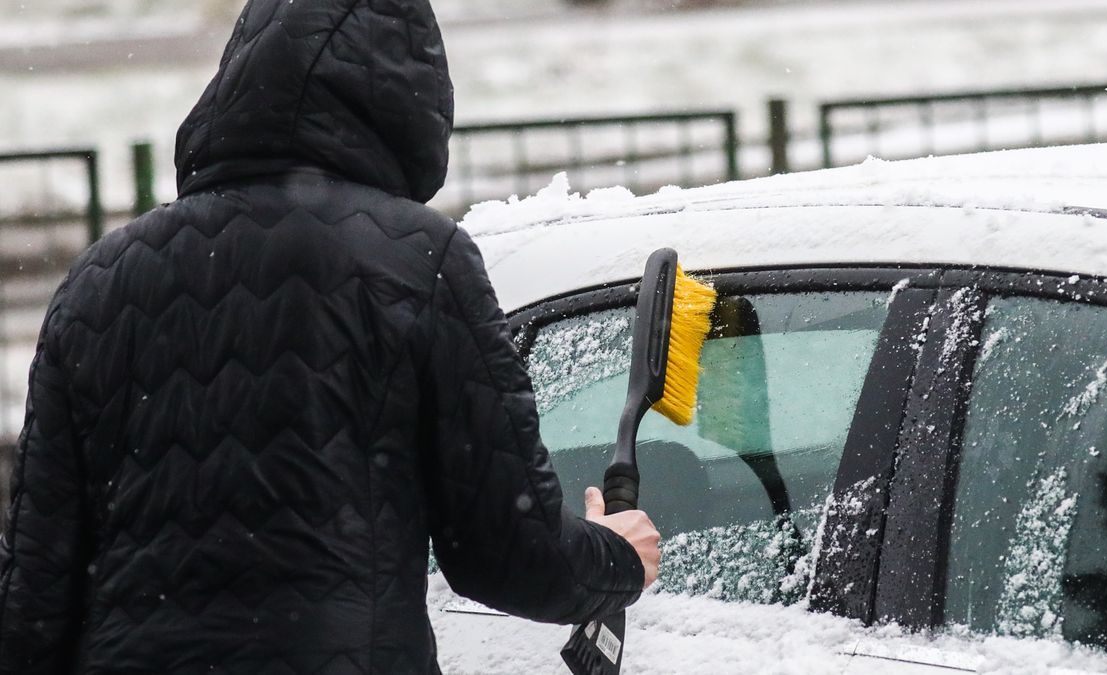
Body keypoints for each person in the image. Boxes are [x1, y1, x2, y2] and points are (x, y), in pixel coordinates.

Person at [0, 0, 660, 672]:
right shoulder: (420, 261)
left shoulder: (97, 282)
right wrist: (616, 555)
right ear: (411, 100)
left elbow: (31, 598)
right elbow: (507, 551)